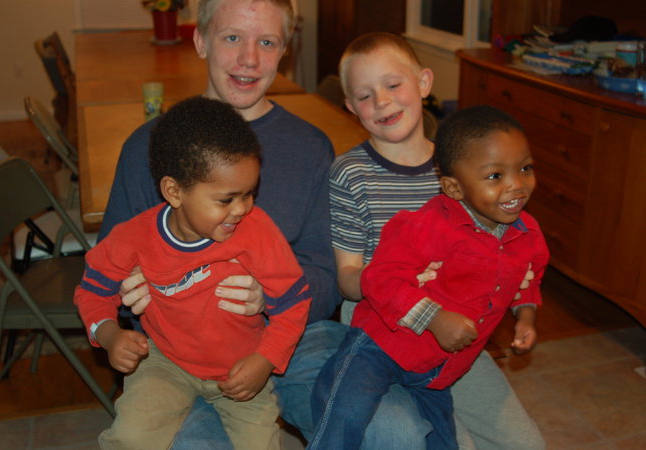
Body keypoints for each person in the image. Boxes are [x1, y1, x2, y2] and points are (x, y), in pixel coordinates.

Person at [103, 2, 545, 448]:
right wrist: (129, 290)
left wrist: (269, 298)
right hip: (182, 351)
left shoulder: (310, 147)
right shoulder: (149, 146)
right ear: (201, 41)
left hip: (300, 339)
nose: (249, 58)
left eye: (267, 42)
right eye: (232, 37)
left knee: (402, 432)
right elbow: (107, 273)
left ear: (285, 52)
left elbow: (327, 274)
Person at [326, 32, 546, 450]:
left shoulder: (473, 160)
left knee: (526, 444)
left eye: (393, 84)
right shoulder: (350, 174)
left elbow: (514, 248)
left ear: (424, 83)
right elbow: (348, 278)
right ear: (351, 107)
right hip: (382, 324)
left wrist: (521, 307)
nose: (383, 102)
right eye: (366, 96)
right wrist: (403, 282)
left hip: (459, 325)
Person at [75, 96, 311, 449]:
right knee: (129, 438)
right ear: (174, 192)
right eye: (226, 199)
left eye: (249, 194)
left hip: (242, 369)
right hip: (164, 363)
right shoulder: (133, 237)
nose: (242, 209)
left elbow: (294, 303)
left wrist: (265, 360)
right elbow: (92, 291)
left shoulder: (257, 231)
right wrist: (109, 334)